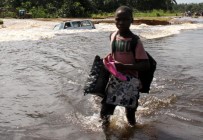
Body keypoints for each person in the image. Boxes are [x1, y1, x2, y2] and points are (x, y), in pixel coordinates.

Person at [100, 6, 150, 127]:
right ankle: (105, 133)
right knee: (105, 111)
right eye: (118, 19)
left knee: (130, 115)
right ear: (114, 20)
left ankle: (132, 133)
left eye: (125, 19)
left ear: (131, 20)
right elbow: (114, 53)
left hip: (131, 82)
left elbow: (145, 65)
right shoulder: (112, 35)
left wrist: (124, 66)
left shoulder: (135, 41)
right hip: (115, 79)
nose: (121, 22)